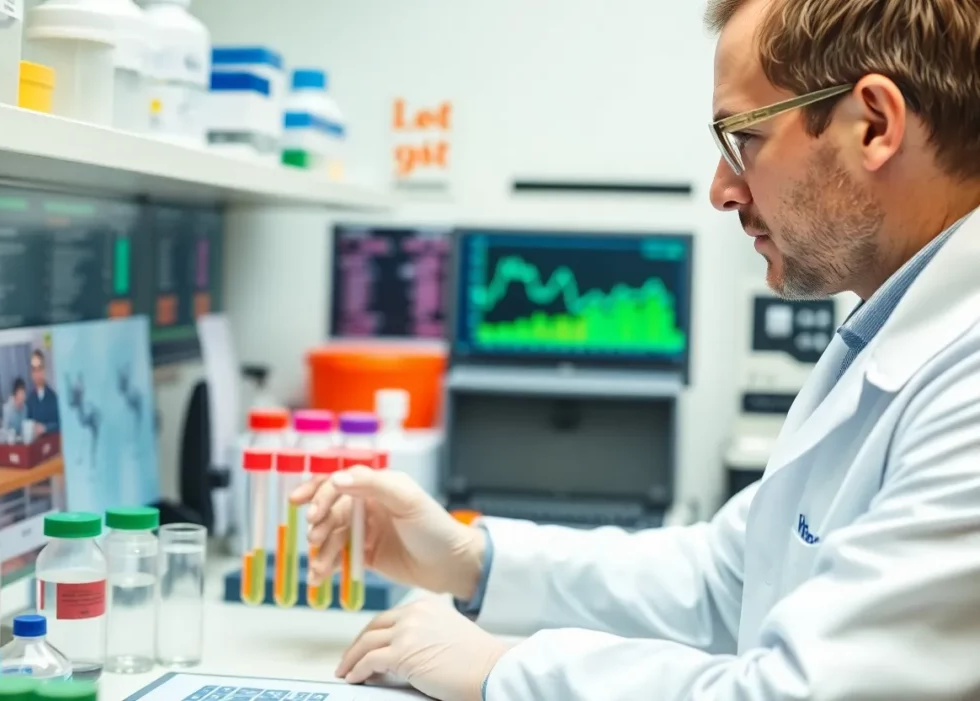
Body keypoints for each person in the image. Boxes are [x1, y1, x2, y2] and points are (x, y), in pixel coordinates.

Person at [293, 1, 980, 699]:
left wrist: (504, 669)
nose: (722, 189)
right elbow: (723, 579)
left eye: (743, 138)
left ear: (874, 125)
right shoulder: (889, 336)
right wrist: (474, 560)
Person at [25, 349, 59, 434]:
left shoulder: (53, 397)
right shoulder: (30, 400)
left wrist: (45, 428)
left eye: (39, 368)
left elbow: (60, 423)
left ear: (44, 370)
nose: (37, 373)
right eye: (34, 370)